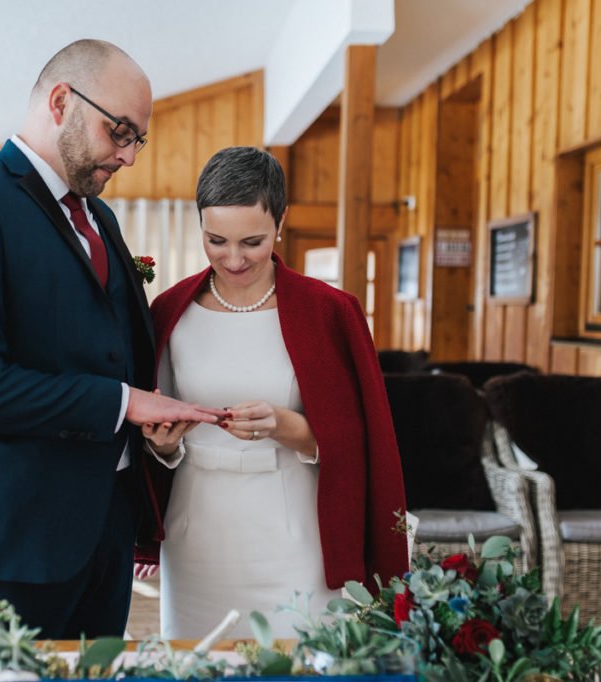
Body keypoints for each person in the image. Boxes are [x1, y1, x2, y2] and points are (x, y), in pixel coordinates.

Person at [0, 39, 221, 639]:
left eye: (137, 140)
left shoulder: (101, 219)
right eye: (119, 131)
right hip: (14, 541)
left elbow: (114, 343)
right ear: (59, 101)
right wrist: (122, 402)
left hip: (105, 530)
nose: (128, 157)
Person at [133, 146, 409, 638]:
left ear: (281, 221)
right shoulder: (170, 309)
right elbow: (159, 432)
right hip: (198, 531)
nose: (233, 259)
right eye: (215, 240)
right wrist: (164, 443)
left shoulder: (332, 312)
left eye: (252, 241)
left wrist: (284, 425)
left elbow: (363, 442)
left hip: (296, 532)